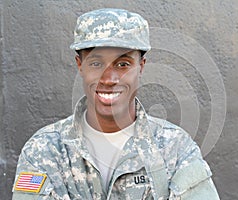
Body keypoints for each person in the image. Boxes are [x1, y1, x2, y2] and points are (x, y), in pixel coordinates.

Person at [12, 8, 220, 199]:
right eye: (96, 63)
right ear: (80, 65)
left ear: (141, 67)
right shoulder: (44, 150)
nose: (109, 78)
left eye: (123, 64)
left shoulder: (175, 149)